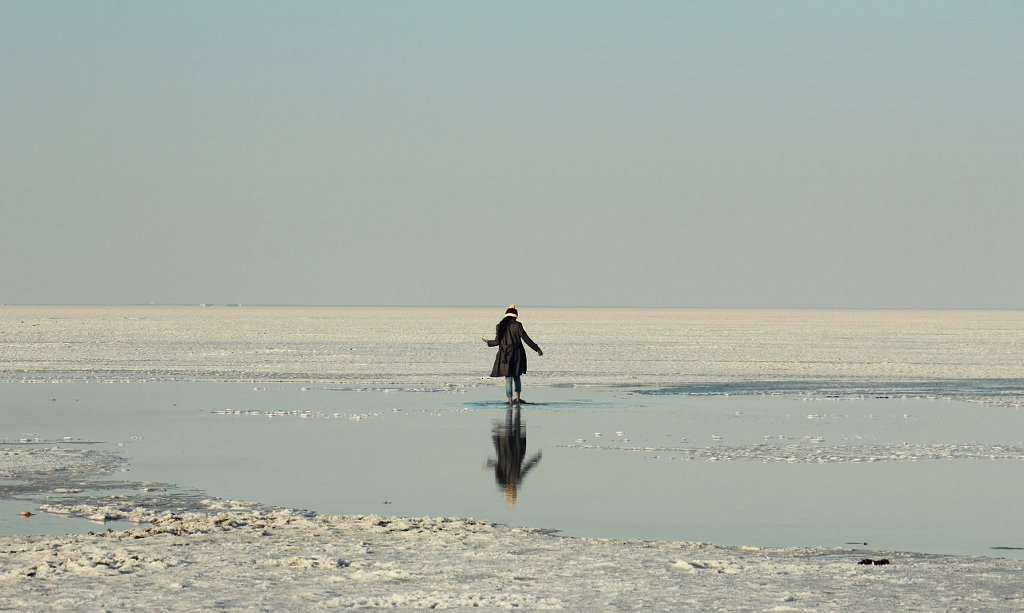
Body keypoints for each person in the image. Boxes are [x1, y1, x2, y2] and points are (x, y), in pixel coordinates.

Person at [482, 304, 543, 405]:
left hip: (504, 355)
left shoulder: (499, 326)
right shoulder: (518, 325)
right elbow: (526, 339)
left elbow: (497, 342)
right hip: (517, 355)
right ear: (515, 316)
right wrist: (537, 349)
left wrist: (489, 342)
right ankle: (518, 399)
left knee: (508, 377)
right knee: (516, 375)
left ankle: (510, 401)